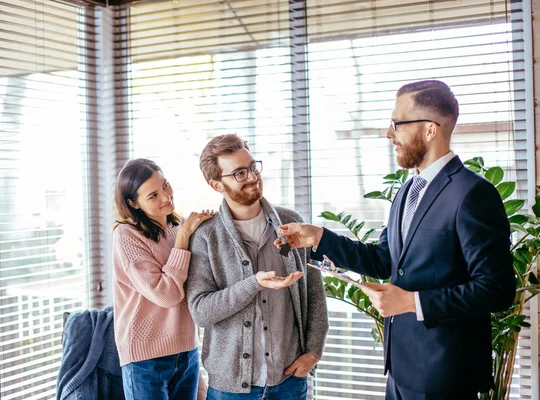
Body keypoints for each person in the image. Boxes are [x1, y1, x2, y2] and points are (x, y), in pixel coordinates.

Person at [276, 80, 515, 399]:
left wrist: (412, 302)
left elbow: (497, 289)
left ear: (430, 129)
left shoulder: (473, 194)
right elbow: (384, 260)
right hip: (400, 370)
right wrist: (320, 238)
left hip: (445, 376)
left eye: (397, 124)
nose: (389, 134)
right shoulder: (407, 191)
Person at [186, 134, 329, 399]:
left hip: (288, 382)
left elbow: (314, 294)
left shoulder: (290, 222)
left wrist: (313, 352)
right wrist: (253, 284)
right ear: (217, 185)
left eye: (252, 167)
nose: (252, 177)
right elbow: (201, 312)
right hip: (230, 390)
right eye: (239, 173)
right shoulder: (207, 236)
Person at [112, 158, 213, 400]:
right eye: (153, 195)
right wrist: (185, 237)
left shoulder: (178, 228)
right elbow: (166, 295)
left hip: (186, 350)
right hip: (145, 357)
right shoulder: (127, 235)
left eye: (165, 186)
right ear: (133, 203)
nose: (166, 197)